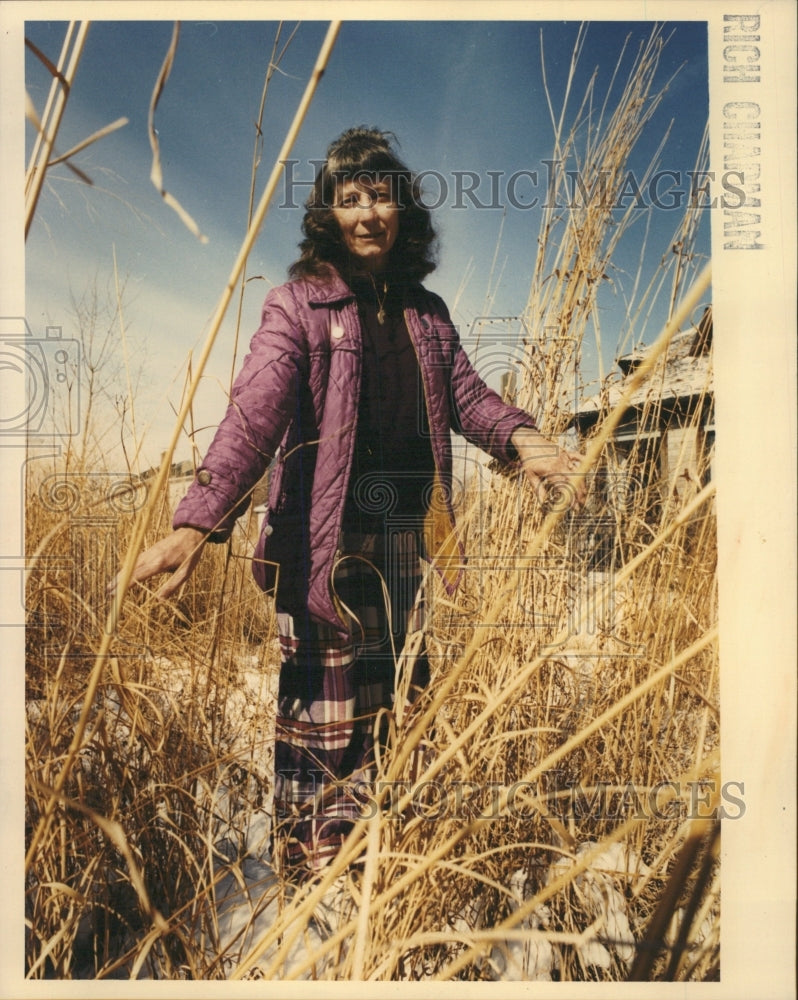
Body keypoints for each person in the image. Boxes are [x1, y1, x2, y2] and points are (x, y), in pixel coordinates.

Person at [124, 127, 586, 881]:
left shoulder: (428, 313)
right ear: (327, 217)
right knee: (323, 705)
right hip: (322, 541)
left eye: (381, 195)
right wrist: (196, 521)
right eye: (349, 198)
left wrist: (526, 443)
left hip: (409, 534)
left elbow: (468, 397)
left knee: (398, 689)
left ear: (403, 210)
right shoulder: (298, 305)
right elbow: (256, 412)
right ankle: (316, 872)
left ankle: (385, 852)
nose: (368, 212)